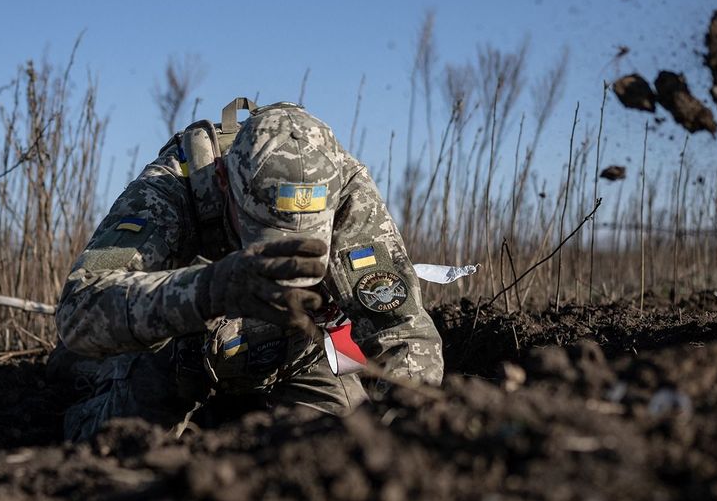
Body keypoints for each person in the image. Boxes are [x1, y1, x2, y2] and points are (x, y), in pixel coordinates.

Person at [52, 99, 444, 441]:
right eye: (266, 235)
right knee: (115, 457)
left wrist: (413, 427)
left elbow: (402, 329)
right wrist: (207, 290)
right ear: (224, 183)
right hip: (177, 357)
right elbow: (79, 311)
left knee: (351, 447)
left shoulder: (346, 190)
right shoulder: (172, 189)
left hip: (294, 356)